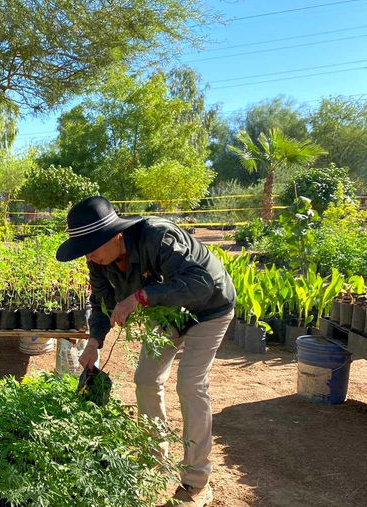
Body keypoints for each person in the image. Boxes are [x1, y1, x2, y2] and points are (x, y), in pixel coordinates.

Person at [56, 196, 235, 507]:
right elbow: (101, 303)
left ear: (115, 235)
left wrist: (140, 296)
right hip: (168, 314)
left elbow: (201, 282)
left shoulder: (158, 236)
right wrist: (94, 342)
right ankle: (154, 462)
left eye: (92, 247)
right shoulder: (99, 261)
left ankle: (196, 482)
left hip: (210, 307)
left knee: (190, 384)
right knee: (146, 379)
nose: (89, 257)